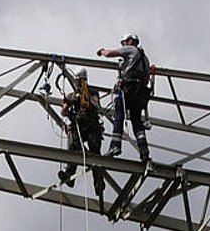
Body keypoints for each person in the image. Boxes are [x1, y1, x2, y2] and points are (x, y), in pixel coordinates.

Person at [96, 32, 152, 164]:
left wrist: (102, 51)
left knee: (119, 116)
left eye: (124, 42)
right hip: (139, 92)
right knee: (137, 122)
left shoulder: (131, 49)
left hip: (127, 88)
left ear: (130, 41)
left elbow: (110, 54)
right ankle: (144, 151)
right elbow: (146, 78)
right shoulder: (145, 59)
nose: (123, 45)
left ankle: (115, 146)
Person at [56, 71, 104, 192]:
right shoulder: (73, 95)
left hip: (92, 126)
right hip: (78, 125)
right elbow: (63, 112)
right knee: (73, 146)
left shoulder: (92, 92)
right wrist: (68, 105)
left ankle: (98, 182)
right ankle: (70, 175)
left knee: (95, 154)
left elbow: (97, 106)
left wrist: (85, 100)